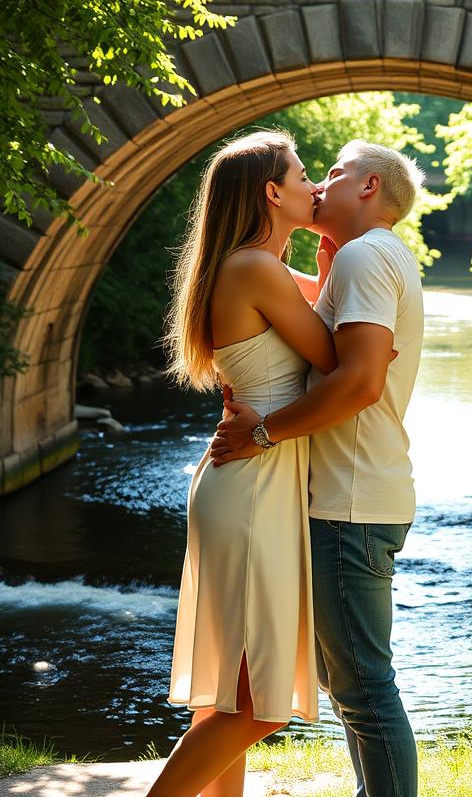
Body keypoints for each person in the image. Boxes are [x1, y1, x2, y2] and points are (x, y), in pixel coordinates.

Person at [209, 139, 426, 797]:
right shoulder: (367, 258)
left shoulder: (365, 256)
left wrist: (264, 432)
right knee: (351, 686)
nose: (320, 184)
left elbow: (359, 381)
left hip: (348, 500)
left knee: (363, 688)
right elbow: (304, 327)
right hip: (356, 495)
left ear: (367, 189)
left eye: (333, 173)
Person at [148, 129, 337, 797]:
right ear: (271, 190)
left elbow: (326, 302)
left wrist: (334, 255)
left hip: (248, 479)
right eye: (305, 172)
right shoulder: (255, 267)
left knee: (230, 693)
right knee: (258, 702)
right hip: (254, 485)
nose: (316, 185)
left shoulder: (255, 265)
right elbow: (337, 358)